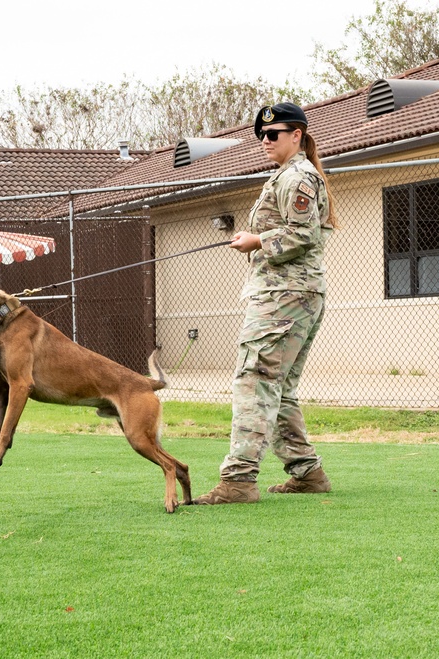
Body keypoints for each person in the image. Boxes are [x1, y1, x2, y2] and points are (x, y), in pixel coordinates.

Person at [193, 102, 338, 505]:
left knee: (253, 381)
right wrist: (255, 239)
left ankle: (238, 479)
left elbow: (302, 235)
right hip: (293, 295)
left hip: (285, 296)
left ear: (297, 136)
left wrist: (257, 241)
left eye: (273, 134)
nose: (265, 140)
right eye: (261, 135)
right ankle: (308, 473)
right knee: (280, 389)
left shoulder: (299, 177)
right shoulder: (287, 176)